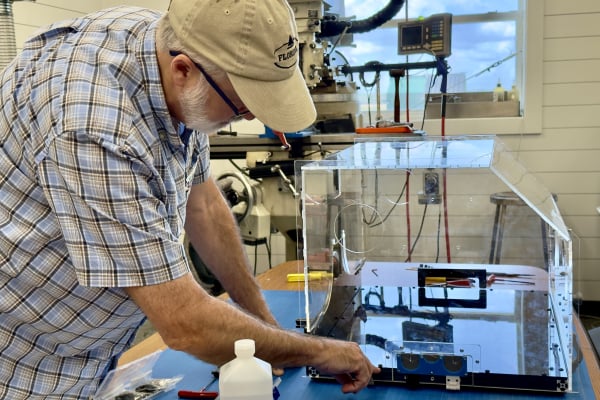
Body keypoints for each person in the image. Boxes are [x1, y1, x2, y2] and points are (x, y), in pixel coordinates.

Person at [0, 0, 380, 398]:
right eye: (241, 104)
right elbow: (186, 323)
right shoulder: (95, 127)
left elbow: (203, 205)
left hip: (93, 347)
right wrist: (317, 352)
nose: (252, 117)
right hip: (28, 364)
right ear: (183, 70)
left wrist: (263, 322)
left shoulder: (173, 45)